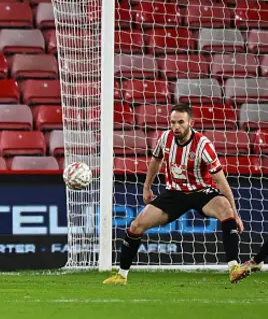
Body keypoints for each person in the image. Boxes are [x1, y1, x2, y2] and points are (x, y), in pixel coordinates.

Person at [104, 103, 249, 285]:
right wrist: (147, 187)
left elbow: (220, 181)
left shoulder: (203, 145)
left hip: (201, 191)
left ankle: (234, 268)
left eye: (181, 122)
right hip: (174, 193)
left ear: (191, 123)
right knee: (136, 225)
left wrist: (236, 215)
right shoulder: (165, 138)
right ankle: (121, 276)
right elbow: (156, 160)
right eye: (173, 122)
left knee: (225, 209)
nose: (176, 127)